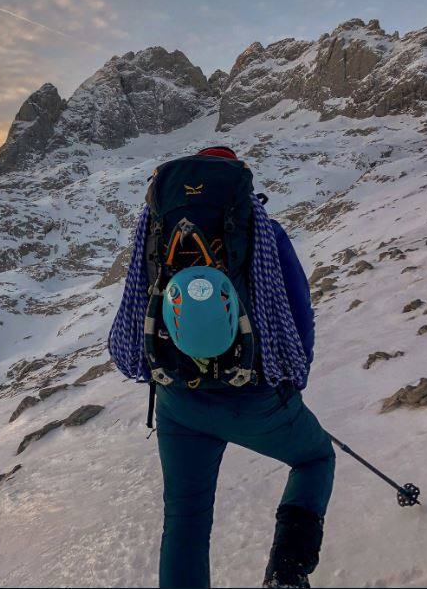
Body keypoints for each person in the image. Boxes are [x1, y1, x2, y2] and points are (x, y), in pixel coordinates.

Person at [108, 146, 335, 588]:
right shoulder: (264, 234)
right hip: (255, 395)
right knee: (313, 458)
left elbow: (137, 314)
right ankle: (286, 573)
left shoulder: (153, 237)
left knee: (186, 517)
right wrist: (291, 377)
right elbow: (297, 312)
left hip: (178, 399)